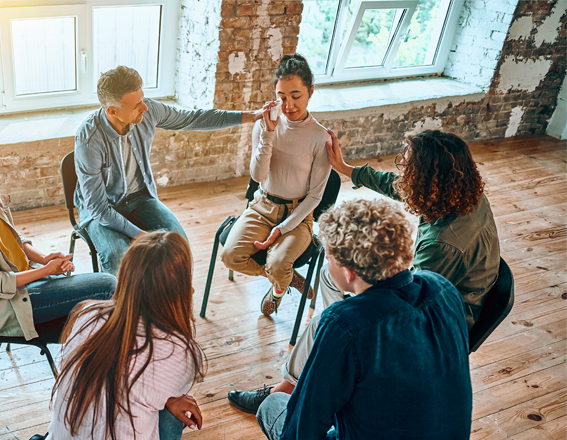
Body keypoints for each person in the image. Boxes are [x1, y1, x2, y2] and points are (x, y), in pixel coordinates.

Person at [228, 128, 500, 412]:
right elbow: (398, 185)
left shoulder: (443, 244)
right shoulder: (457, 194)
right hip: (431, 295)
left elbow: (410, 307)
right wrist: (347, 169)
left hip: (436, 323)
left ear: (428, 180)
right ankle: (337, 351)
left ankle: (286, 389)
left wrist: (356, 314)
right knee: (329, 280)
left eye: (407, 167)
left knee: (328, 321)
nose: (402, 173)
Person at [254, 199, 472, 440]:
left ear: (349, 272)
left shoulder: (344, 323)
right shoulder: (442, 288)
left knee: (273, 407)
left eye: (328, 256)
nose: (327, 261)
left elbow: (307, 419)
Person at [0, 117, 117, 340]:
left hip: (27, 281)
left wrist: (44, 258)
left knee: (105, 306)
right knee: (107, 286)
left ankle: (105, 351)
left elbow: (11, 238)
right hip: (13, 305)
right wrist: (46, 271)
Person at [43, 231, 205, 440]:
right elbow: (161, 388)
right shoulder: (181, 351)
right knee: (178, 403)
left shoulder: (87, 314)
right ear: (182, 289)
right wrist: (170, 400)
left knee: (157, 397)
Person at [75, 65, 266, 274]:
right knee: (118, 257)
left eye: (143, 99)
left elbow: (194, 118)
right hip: (102, 209)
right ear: (112, 111)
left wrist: (250, 116)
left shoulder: (147, 111)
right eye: (137, 105)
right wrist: (140, 235)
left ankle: (170, 298)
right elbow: (99, 209)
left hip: (139, 198)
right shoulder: (89, 139)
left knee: (178, 244)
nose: (145, 108)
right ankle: (119, 306)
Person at [220, 53, 331, 316]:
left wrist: (281, 230)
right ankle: (284, 278)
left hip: (297, 215)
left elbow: (315, 197)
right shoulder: (265, 122)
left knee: (279, 261)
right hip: (262, 207)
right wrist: (268, 133)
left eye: (296, 95)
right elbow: (258, 176)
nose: (288, 104)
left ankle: (278, 288)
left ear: (310, 91)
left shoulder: (320, 137)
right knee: (230, 257)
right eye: (281, 96)